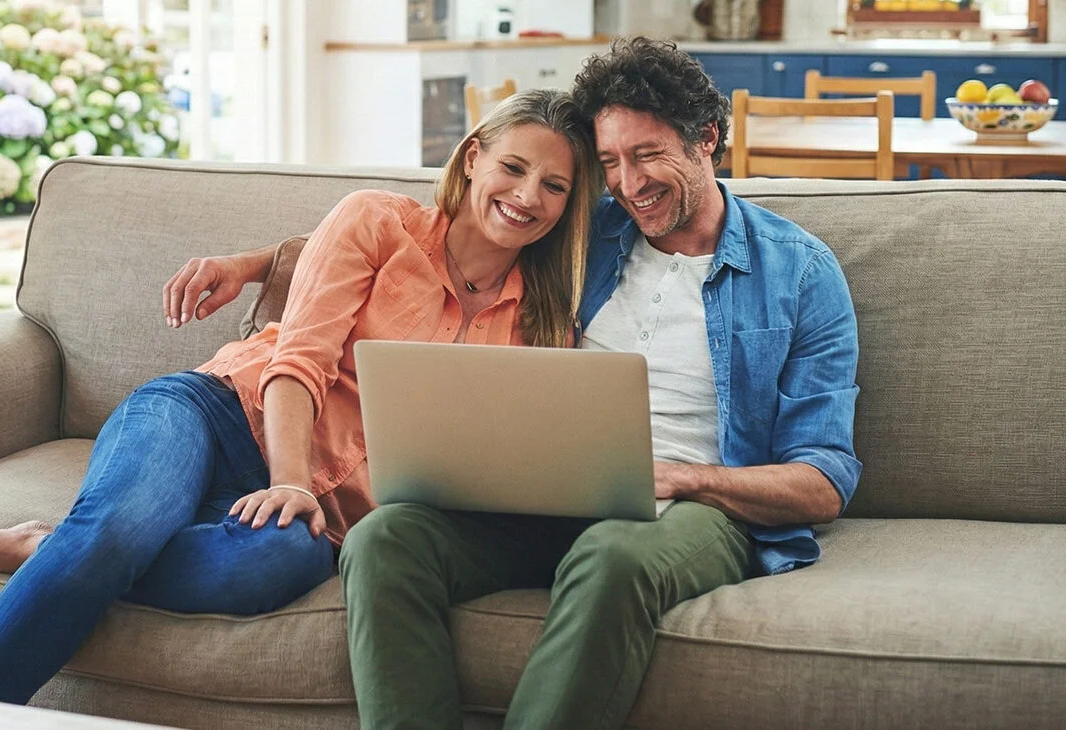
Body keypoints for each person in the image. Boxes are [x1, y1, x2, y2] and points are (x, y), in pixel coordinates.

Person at [162, 37, 862, 730]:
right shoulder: (588, 232)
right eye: (610, 163)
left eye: (648, 156)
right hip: (536, 499)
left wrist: (682, 478)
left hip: (687, 512)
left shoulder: (798, 272)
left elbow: (824, 480)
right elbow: (432, 228)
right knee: (384, 539)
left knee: (612, 556)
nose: (628, 183)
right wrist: (252, 263)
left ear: (706, 139)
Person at [0, 87, 602, 705]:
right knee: (120, 526)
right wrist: (292, 481)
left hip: (319, 518)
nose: (528, 196)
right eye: (514, 168)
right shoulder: (377, 223)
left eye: (555, 186)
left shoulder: (542, 324)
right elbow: (299, 360)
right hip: (213, 414)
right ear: (474, 157)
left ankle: (43, 551)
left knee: (272, 565)